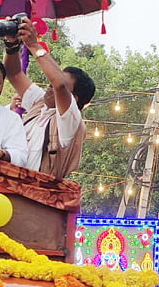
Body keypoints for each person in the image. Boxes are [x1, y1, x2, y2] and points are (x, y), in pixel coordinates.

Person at [5, 20, 95, 178]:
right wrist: (12, 44)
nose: (50, 86)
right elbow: (13, 74)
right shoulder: (41, 103)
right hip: (10, 185)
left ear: (73, 99)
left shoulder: (71, 122)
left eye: (53, 82)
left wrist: (33, 44)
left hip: (36, 196)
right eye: (50, 81)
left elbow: (59, 84)